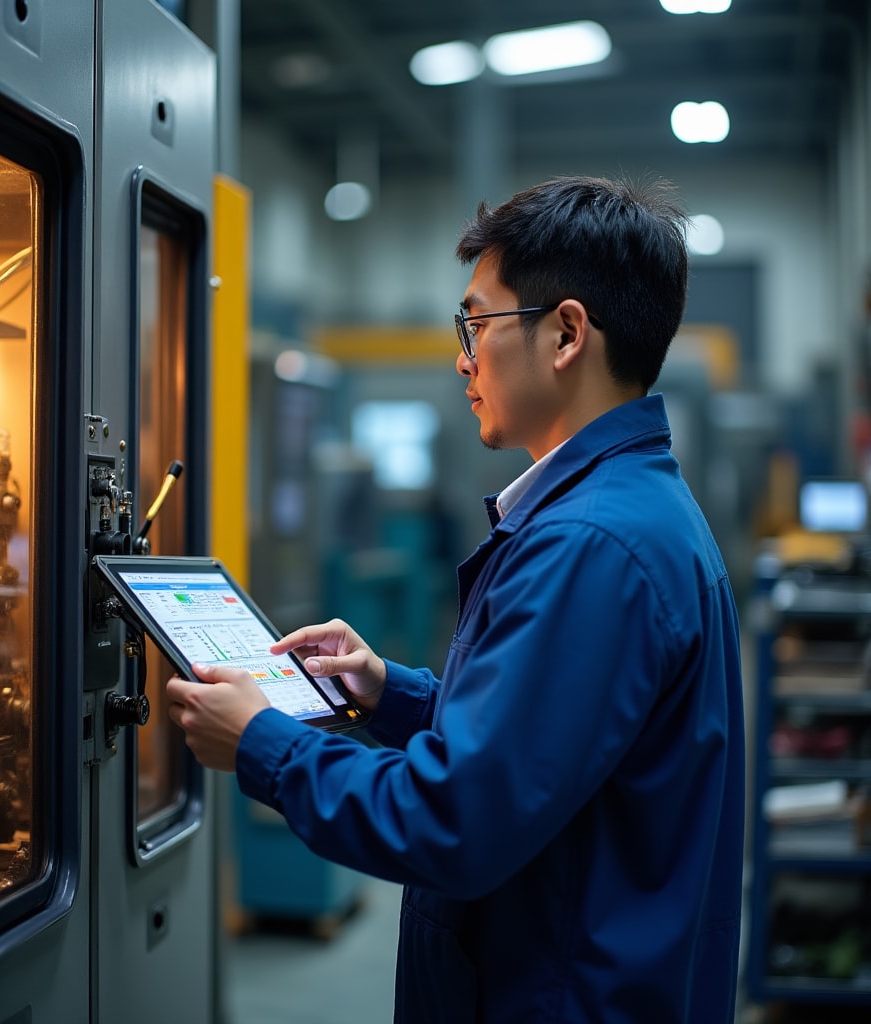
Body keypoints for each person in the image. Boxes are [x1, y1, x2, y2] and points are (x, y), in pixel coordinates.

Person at [167, 175, 745, 1023]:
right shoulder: (627, 514)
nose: (462, 357)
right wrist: (389, 694)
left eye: (476, 322)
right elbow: (544, 749)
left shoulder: (592, 545)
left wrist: (264, 745)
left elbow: (453, 824)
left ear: (566, 333)